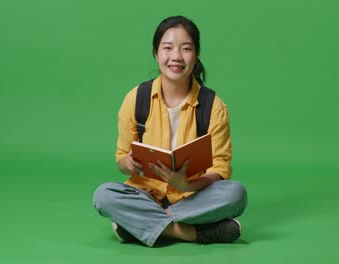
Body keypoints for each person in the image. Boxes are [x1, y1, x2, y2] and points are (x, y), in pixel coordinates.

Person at [93, 15, 247, 247]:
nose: (176, 57)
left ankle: (135, 225)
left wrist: (186, 185)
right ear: (156, 53)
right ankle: (189, 233)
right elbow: (121, 159)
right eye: (167, 48)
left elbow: (220, 167)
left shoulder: (213, 105)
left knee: (236, 194)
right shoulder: (136, 99)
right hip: (145, 194)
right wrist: (129, 162)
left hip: (192, 196)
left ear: (195, 57)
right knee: (103, 195)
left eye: (186, 49)